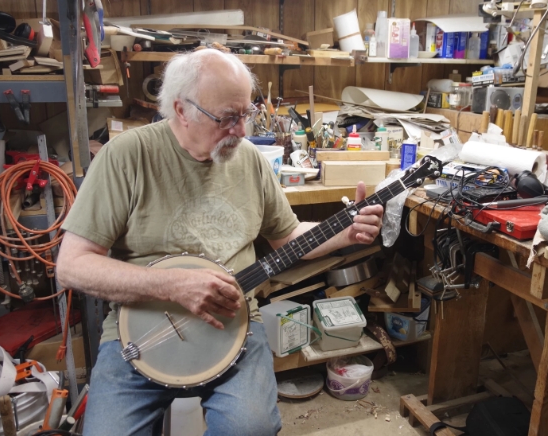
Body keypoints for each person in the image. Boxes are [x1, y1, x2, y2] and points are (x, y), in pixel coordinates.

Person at [56, 48, 384, 436]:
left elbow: (287, 237)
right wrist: (173, 285)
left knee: (252, 427)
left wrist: (343, 232)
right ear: (182, 110)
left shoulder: (248, 159)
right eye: (228, 118)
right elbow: (72, 266)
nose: (242, 131)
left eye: (245, 113)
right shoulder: (126, 157)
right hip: (141, 330)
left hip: (236, 324)